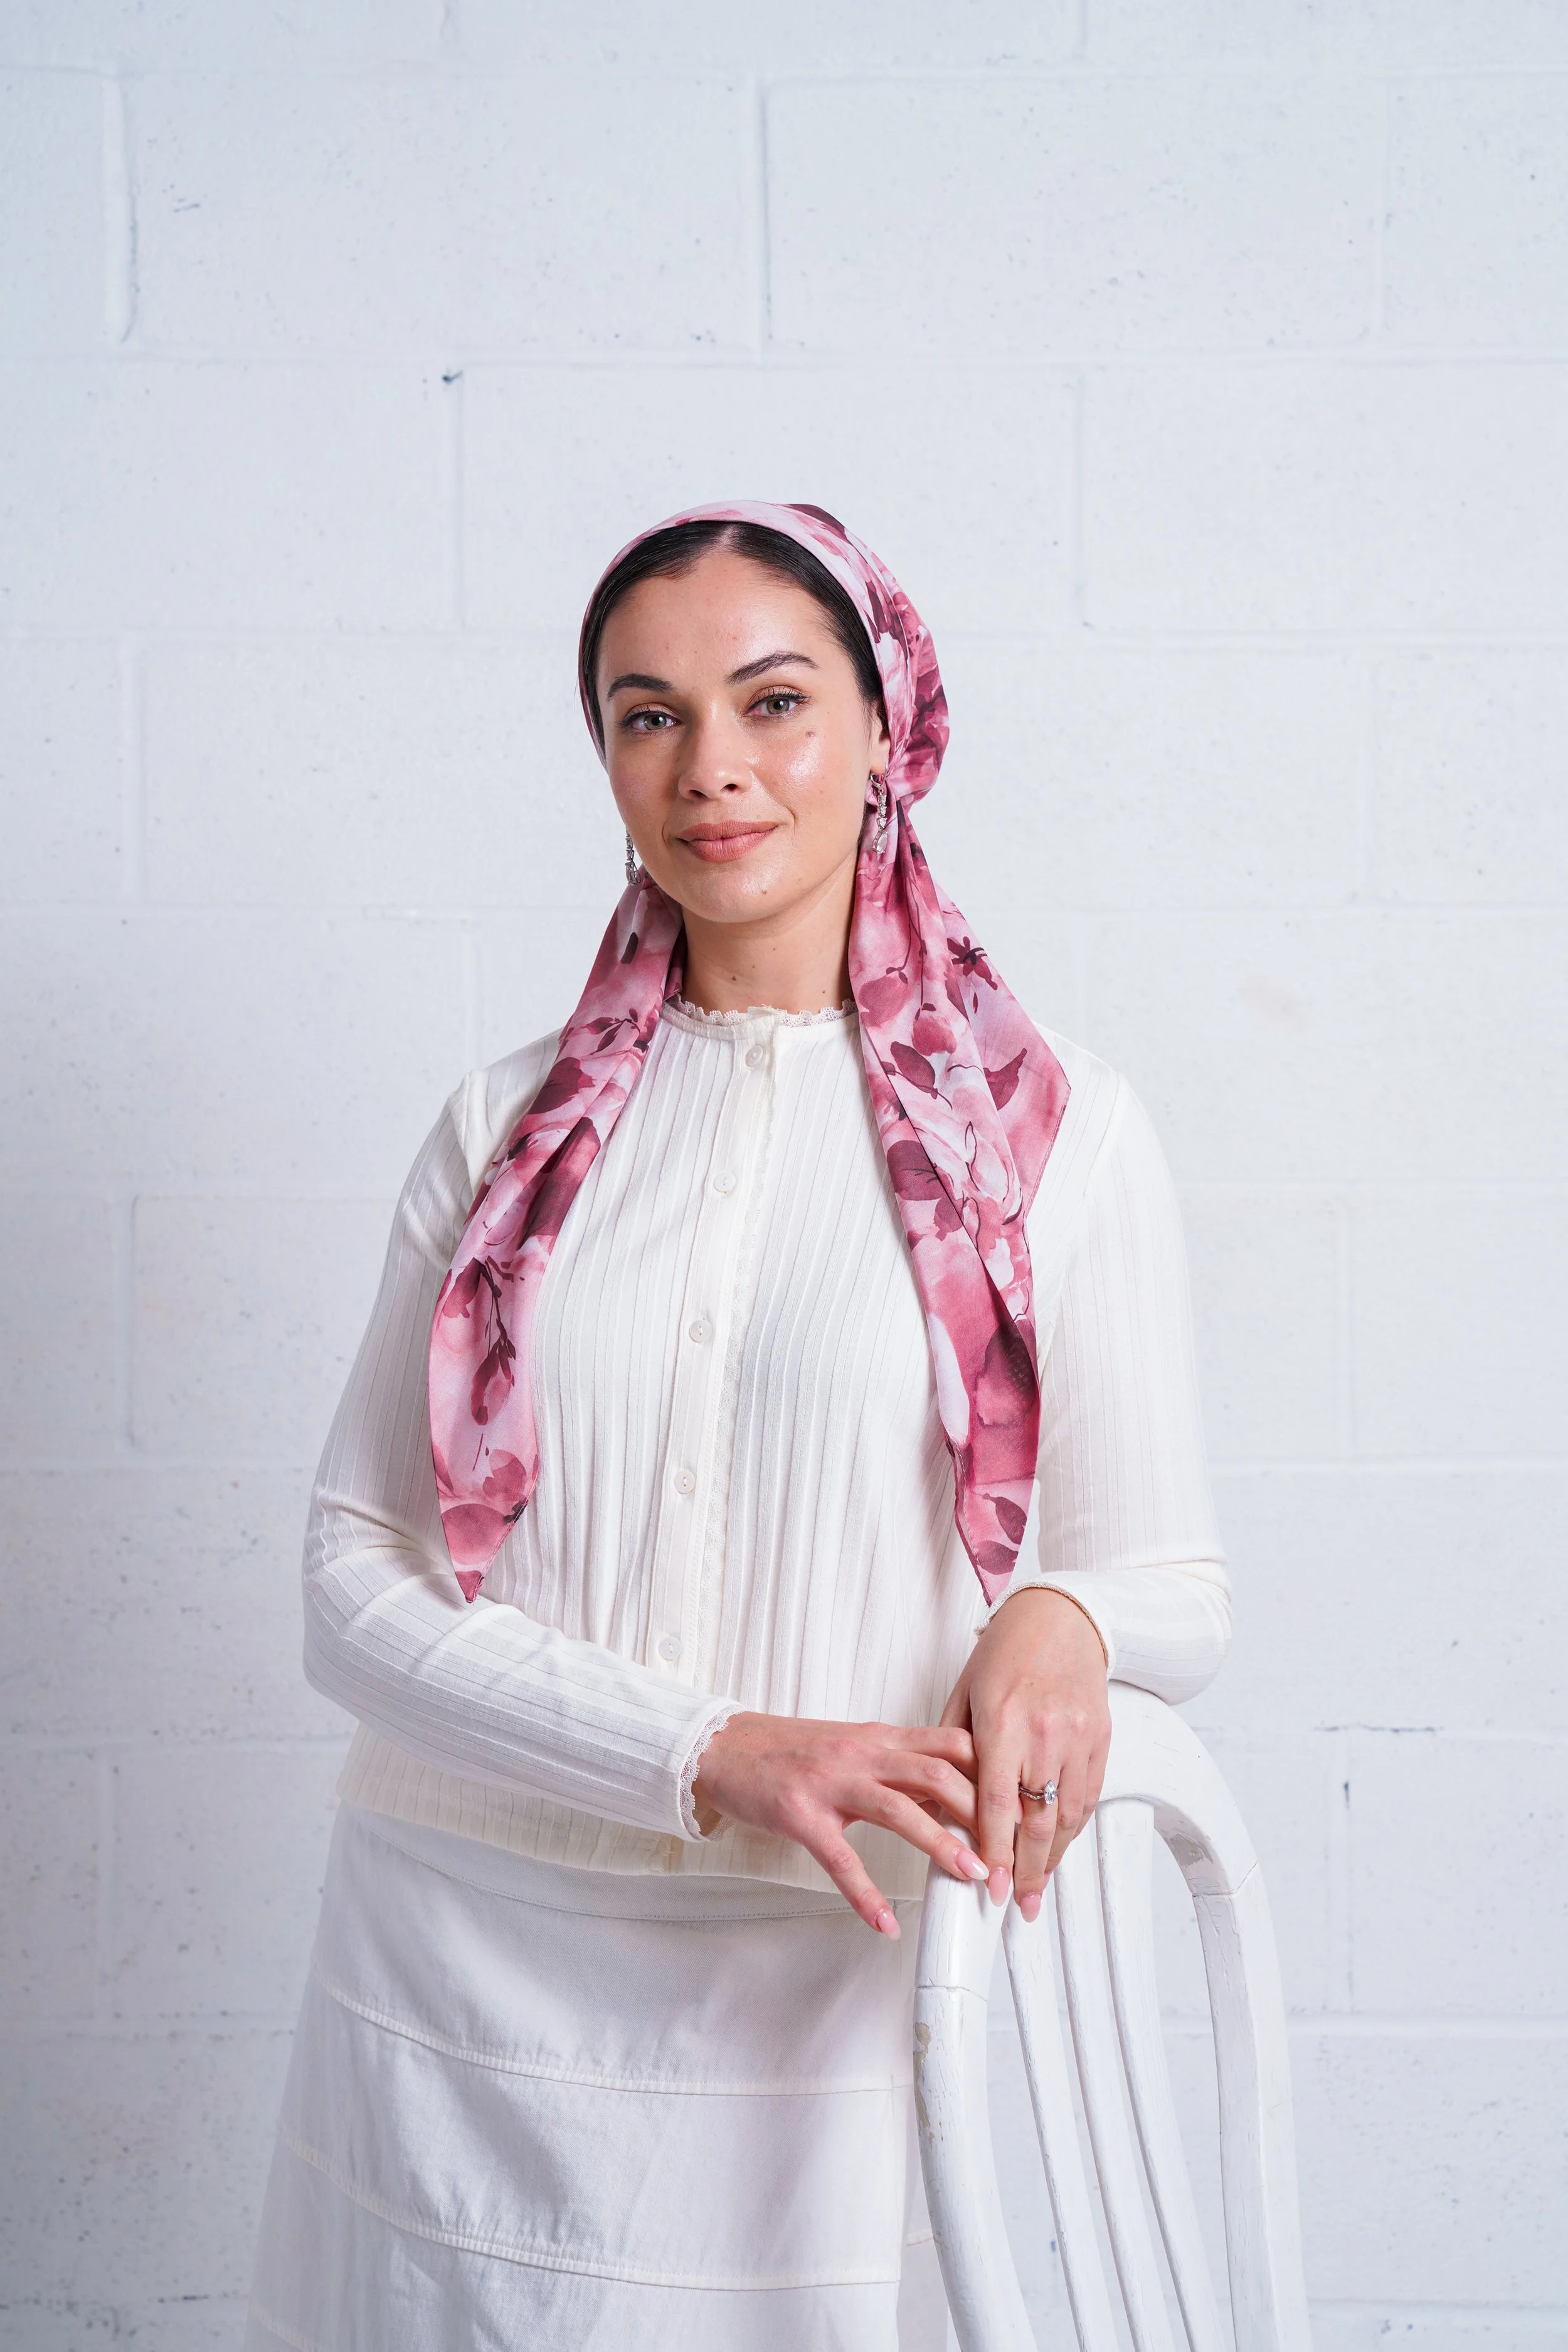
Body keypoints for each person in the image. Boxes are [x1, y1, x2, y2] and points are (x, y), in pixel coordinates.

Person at [244, 501, 1231, 2351]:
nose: (712, 770)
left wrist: (1062, 1613)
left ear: (887, 726)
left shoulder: (1055, 1142)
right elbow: (345, 1584)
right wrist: (709, 1747)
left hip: (812, 1994)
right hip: (446, 1973)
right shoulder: (501, 1128)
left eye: (772, 701)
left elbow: (1170, 1573)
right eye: (645, 714)